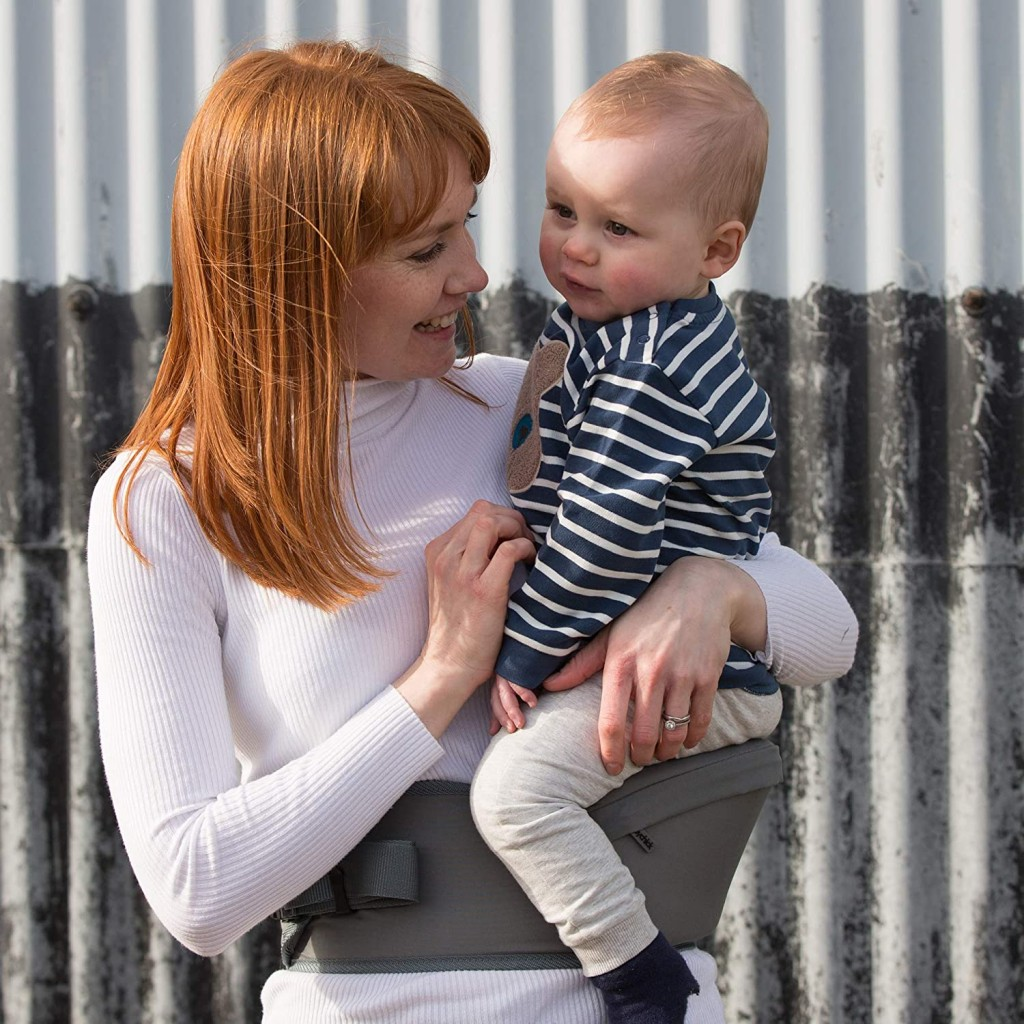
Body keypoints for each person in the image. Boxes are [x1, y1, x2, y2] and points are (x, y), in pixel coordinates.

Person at [86, 40, 858, 1024]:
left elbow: (830, 636)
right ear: (295, 271)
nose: (477, 274)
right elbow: (197, 892)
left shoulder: (525, 404)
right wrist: (441, 675)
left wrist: (714, 593)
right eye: (425, 250)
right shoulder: (166, 499)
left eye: (469, 226)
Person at [471, 53, 780, 1023]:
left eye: (618, 227)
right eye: (562, 209)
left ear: (716, 250)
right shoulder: (615, 328)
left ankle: (641, 976)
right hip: (662, 648)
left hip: (703, 676)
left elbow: (603, 534)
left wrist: (523, 650)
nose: (576, 247)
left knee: (514, 796)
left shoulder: (653, 364)